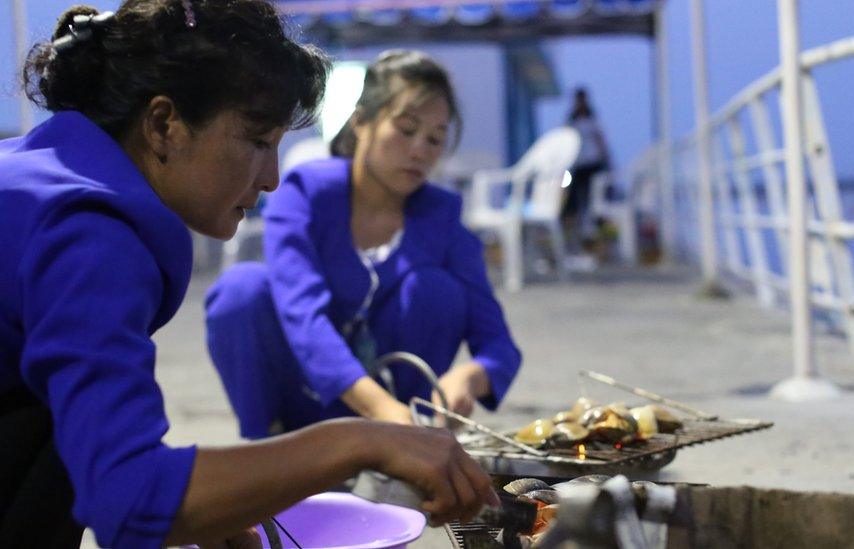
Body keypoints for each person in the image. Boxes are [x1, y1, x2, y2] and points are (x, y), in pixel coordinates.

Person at [0, 3, 497, 548]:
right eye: (259, 142)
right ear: (164, 125)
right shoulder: (89, 235)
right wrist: (362, 442)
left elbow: (107, 454)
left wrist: (219, 503)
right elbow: (130, 496)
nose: (272, 179)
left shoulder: (34, 178)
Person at [205, 50, 522, 437]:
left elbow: (500, 347)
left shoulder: (443, 221)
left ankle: (397, 447)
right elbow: (302, 314)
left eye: (435, 138)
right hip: (303, 412)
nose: (420, 149)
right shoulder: (304, 195)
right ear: (361, 123)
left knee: (438, 290)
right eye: (406, 130)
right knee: (242, 289)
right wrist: (379, 407)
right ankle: (266, 449)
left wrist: (472, 377)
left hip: (398, 421)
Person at [562, 87, 612, 249]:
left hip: (593, 164)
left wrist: (607, 161)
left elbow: (600, 140)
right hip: (577, 166)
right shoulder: (571, 120)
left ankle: (593, 236)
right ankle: (576, 237)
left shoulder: (592, 119)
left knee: (594, 199)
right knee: (574, 201)